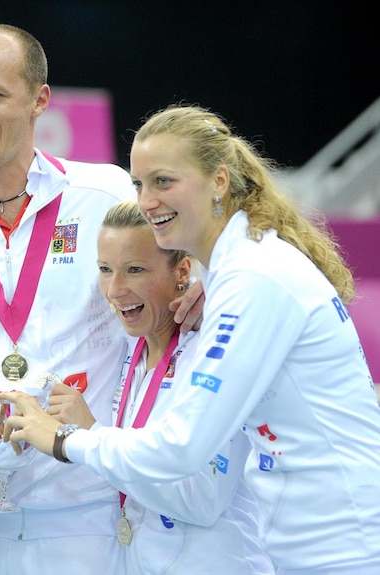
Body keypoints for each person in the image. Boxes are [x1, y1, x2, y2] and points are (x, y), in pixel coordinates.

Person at [0, 104, 380, 574]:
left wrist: (66, 439)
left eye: (164, 181)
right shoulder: (237, 276)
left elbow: (182, 449)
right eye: (139, 184)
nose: (147, 201)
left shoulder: (254, 279)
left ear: (219, 181)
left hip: (344, 552)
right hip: (317, 550)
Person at [0, 25, 202, 575]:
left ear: (39, 100)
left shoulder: (105, 196)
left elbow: (188, 259)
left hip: (85, 514)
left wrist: (206, 280)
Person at [49, 199, 272, 574]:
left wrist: (89, 436)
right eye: (105, 270)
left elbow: (201, 499)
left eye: (135, 270)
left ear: (183, 270)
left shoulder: (212, 353)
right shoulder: (129, 348)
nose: (115, 290)